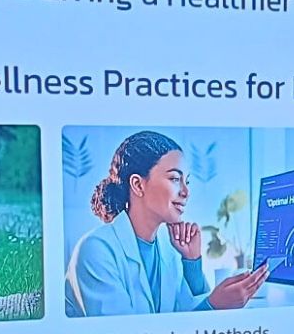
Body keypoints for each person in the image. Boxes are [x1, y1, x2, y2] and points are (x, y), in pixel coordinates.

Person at [71, 130, 268, 316]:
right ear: (138, 185)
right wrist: (214, 306)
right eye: (175, 178)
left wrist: (192, 262)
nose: (186, 192)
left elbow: (190, 323)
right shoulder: (96, 249)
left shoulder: (168, 249)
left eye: (187, 181)